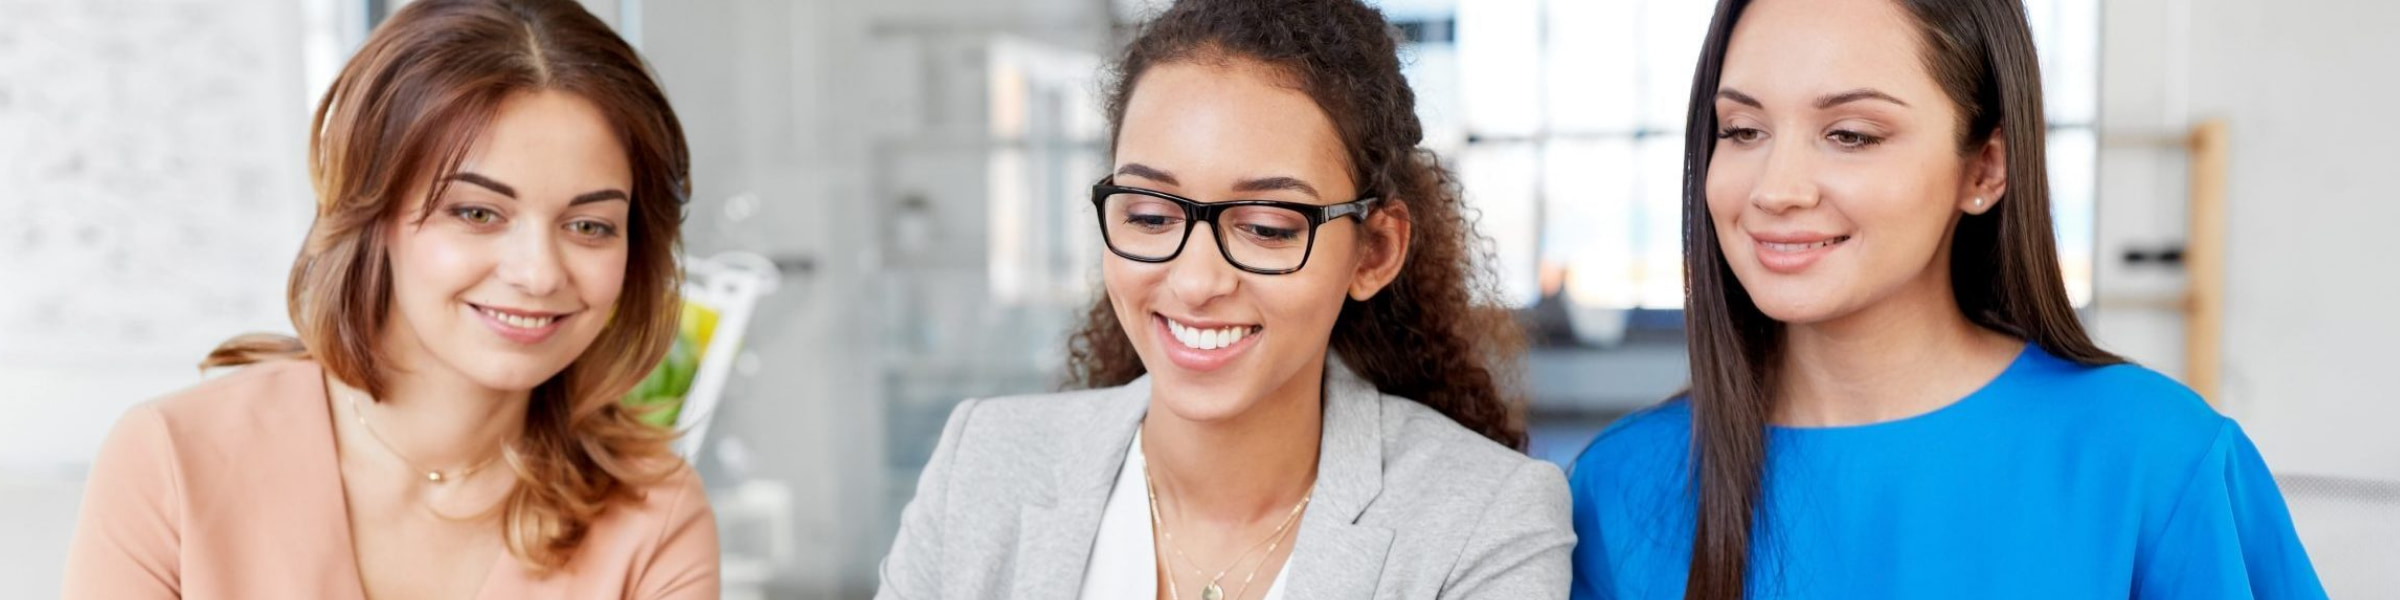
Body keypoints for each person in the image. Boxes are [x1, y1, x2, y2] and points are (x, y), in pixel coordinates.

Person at [1567, 0, 2325, 598]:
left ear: (1984, 168)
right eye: (1741, 130)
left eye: (1851, 134)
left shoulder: (2156, 458)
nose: (1775, 189)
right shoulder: (1620, 485)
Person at [873, 0, 1573, 598]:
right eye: (1151, 215)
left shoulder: (1487, 522)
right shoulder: (982, 463)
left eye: (1266, 227)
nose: (1195, 282)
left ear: (1375, 252)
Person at [61, 1, 717, 597]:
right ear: (371, 213)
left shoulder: (655, 516)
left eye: (590, 226)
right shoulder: (174, 459)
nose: (539, 273)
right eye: (477, 213)